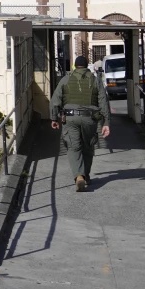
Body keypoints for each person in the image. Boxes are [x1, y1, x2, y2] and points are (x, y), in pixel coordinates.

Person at [49, 55, 111, 191]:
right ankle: (86, 175)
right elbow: (103, 102)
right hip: (90, 118)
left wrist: (54, 118)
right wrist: (106, 122)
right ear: (87, 65)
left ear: (75, 66)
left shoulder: (65, 79)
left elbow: (55, 100)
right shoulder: (95, 80)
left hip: (70, 118)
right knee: (88, 147)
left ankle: (79, 176)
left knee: (73, 147)